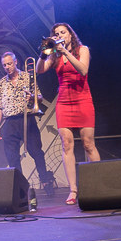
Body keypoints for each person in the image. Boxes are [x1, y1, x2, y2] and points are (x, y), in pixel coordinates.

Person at [36, 22, 99, 205]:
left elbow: (83, 70)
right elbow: (40, 70)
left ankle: (97, 183)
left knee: (88, 144)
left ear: (70, 34)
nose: (60, 35)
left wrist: (65, 52)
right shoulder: (54, 55)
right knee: (67, 145)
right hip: (63, 102)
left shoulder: (82, 50)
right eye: (57, 33)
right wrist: (44, 52)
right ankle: (73, 190)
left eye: (63, 32)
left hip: (83, 99)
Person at [0, 51, 57, 197]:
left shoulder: (27, 77)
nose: (7, 67)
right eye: (4, 65)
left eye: (9, 63)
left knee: (37, 152)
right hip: (9, 123)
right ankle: (21, 188)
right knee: (12, 157)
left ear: (16, 62)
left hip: (27, 119)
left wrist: (34, 97)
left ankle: (45, 181)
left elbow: (40, 96)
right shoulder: (1, 83)